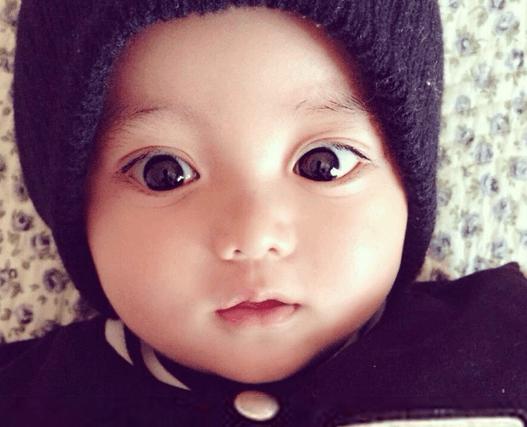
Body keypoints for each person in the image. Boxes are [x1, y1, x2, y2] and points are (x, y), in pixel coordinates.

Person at [1, 0, 526, 425]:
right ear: (77, 213)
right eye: (164, 172)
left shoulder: (502, 339)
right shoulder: (29, 398)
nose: (252, 235)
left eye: (323, 165)